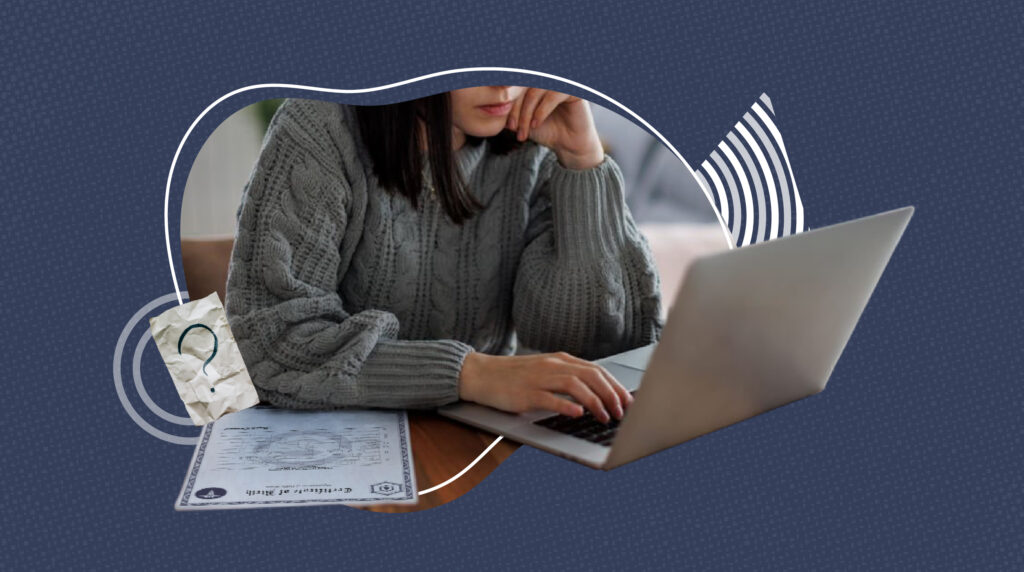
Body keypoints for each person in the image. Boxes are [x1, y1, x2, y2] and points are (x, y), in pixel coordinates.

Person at [225, 86, 662, 424]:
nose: (504, 87)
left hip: (468, 435)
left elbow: (604, 346)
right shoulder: (320, 123)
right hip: (319, 438)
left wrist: (582, 160)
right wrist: (470, 374)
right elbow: (268, 345)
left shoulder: (533, 142)